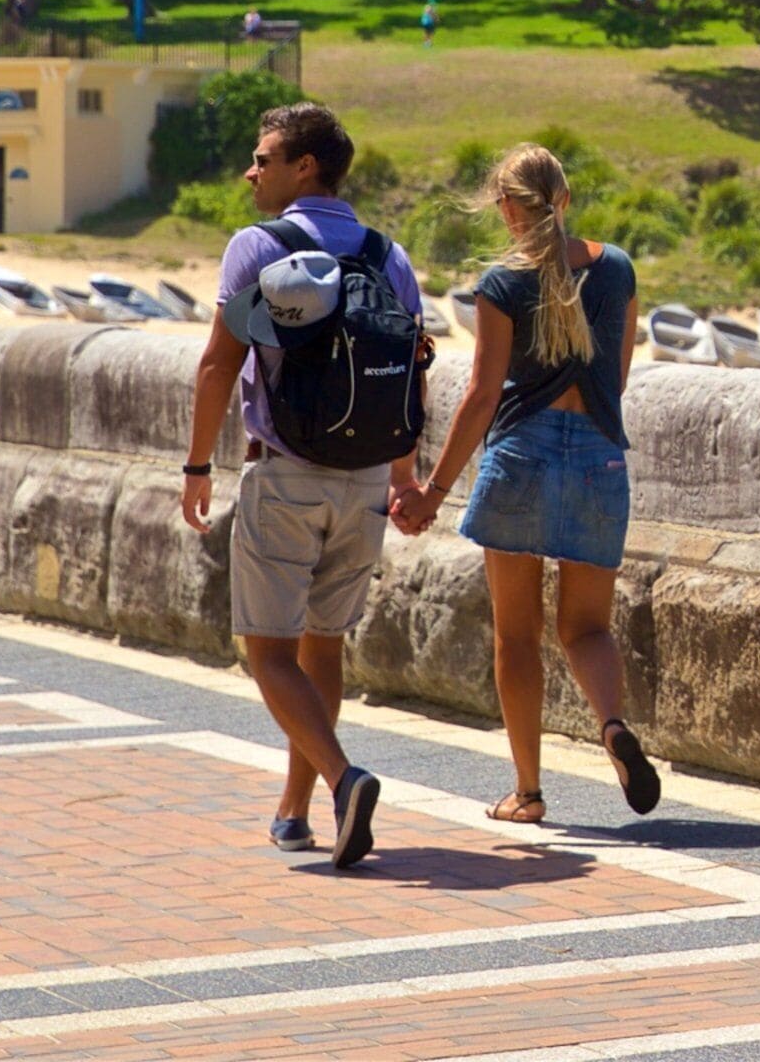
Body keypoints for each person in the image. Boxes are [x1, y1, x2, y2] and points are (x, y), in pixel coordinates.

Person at [182, 102, 426, 868]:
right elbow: (411, 371)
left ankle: (343, 777)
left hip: (286, 475)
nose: (250, 172)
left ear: (305, 167)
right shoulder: (390, 255)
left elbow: (220, 363)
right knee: (325, 647)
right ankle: (297, 807)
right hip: (364, 485)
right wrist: (404, 477)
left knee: (268, 652)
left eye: (264, 158)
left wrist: (197, 467)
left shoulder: (257, 246)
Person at [397, 143, 652, 823]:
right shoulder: (618, 269)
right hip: (599, 457)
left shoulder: (501, 284)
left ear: (508, 207)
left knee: (517, 634)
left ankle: (529, 791)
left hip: (522, 455)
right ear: (564, 199)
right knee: (587, 628)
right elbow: (616, 380)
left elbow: (482, 395)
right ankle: (612, 725)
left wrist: (431, 491)